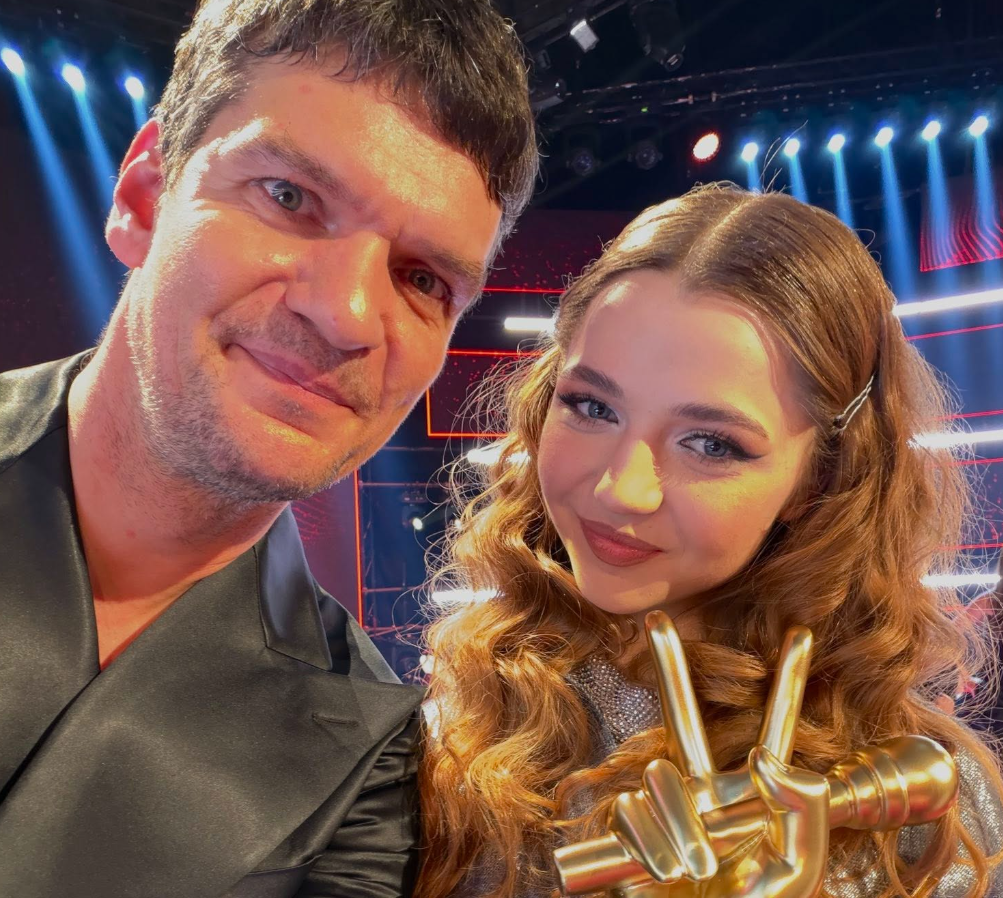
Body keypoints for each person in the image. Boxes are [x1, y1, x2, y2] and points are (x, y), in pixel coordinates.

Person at [0, 1, 537, 895]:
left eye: (422, 279)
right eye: (289, 198)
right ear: (144, 197)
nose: (347, 315)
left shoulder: (371, 763)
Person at [418, 184, 1003, 898]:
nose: (621, 489)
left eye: (710, 444)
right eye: (592, 406)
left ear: (820, 479)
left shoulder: (933, 812)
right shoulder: (441, 749)